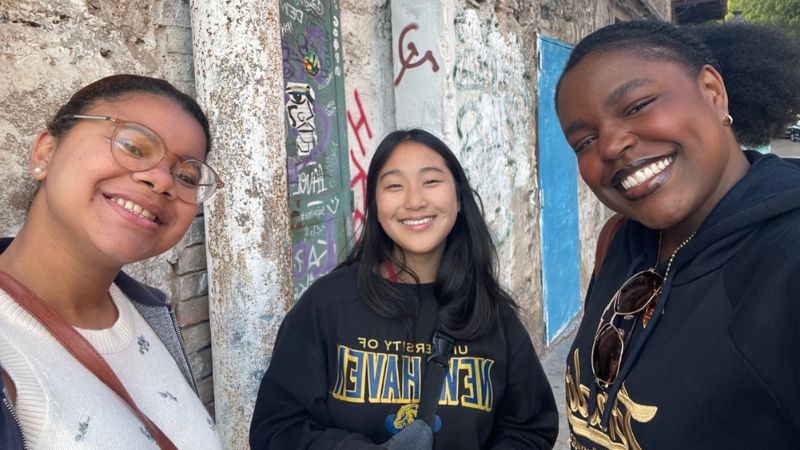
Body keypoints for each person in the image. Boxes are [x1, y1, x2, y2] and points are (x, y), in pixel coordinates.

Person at [556, 20, 800, 449]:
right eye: (584, 141)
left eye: (637, 105)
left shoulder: (786, 261)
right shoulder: (619, 241)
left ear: (711, 91)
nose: (609, 146)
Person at [249, 129, 558, 449]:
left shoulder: (490, 313)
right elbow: (276, 429)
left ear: (459, 197)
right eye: (395, 186)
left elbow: (531, 429)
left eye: (431, 181)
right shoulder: (327, 305)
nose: (414, 201)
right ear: (375, 205)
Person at [0, 74, 225, 449]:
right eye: (134, 146)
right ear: (45, 153)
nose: (161, 181)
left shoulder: (149, 314)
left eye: (186, 175)